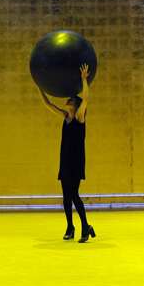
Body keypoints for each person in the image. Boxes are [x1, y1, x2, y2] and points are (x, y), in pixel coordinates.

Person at [37, 63, 96, 243]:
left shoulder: (79, 117)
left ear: (75, 105)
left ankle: (85, 226)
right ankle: (70, 227)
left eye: (71, 100)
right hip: (65, 160)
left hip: (76, 161)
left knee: (74, 194)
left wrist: (84, 80)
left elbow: (85, 100)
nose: (68, 100)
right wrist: (40, 85)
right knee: (65, 196)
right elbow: (47, 104)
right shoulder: (65, 116)